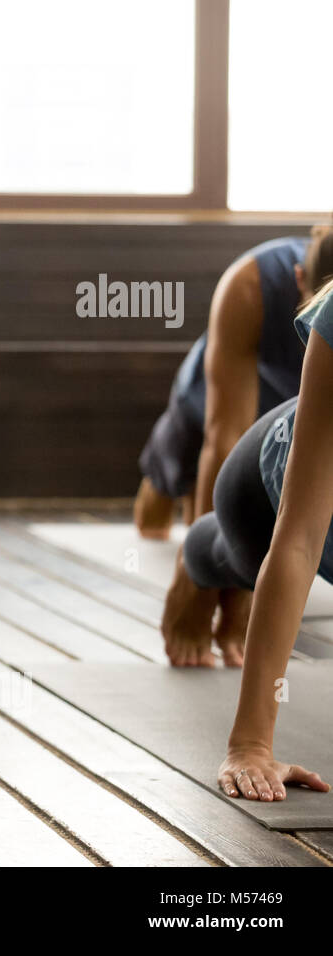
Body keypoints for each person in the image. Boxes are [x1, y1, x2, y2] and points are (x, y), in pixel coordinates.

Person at [150, 228, 333, 666]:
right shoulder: (250, 286)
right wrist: (200, 577)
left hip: (299, 402)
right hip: (213, 397)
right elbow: (223, 436)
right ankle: (162, 496)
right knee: (153, 509)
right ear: (297, 279)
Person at [185, 284, 333, 802]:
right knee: (226, 554)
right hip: (265, 499)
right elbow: (297, 540)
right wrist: (251, 744)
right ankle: (197, 560)